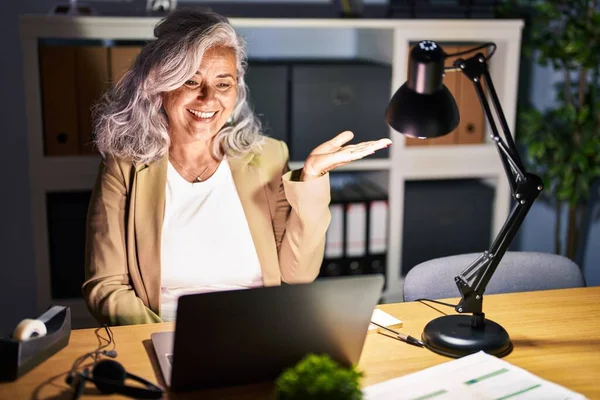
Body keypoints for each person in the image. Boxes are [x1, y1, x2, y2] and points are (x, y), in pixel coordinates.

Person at [83, 8, 391, 326]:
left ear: (237, 91)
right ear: (160, 86)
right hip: (163, 331)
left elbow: (298, 276)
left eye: (223, 84)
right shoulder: (125, 167)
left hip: (259, 330)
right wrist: (167, 338)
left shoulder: (269, 157)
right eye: (191, 81)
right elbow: (105, 286)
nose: (208, 99)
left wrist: (311, 178)